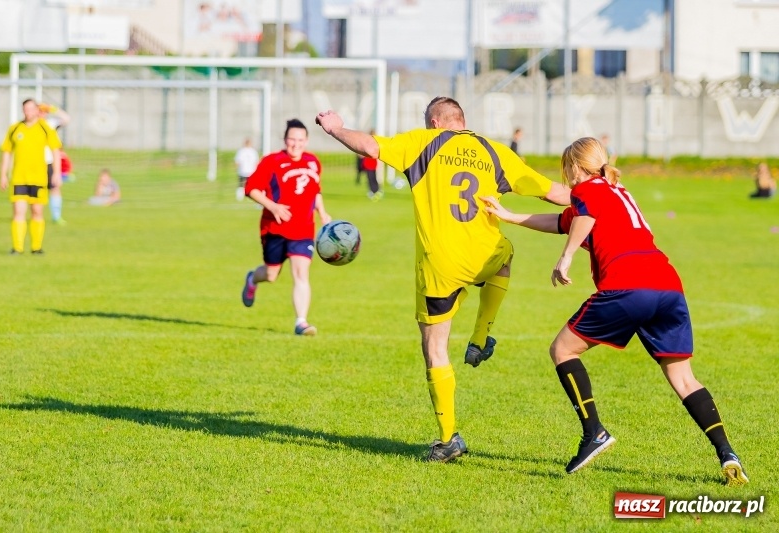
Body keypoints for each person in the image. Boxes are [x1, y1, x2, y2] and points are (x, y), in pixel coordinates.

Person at [482, 136, 749, 486]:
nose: (567, 177)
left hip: (628, 285)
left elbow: (583, 216)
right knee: (684, 378)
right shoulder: (615, 190)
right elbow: (564, 221)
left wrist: (566, 256)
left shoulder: (589, 189)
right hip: (668, 286)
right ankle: (728, 454)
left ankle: (594, 432)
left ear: (577, 167)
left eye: (566, 169)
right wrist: (510, 217)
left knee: (562, 350)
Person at [315, 97, 570, 462]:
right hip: (483, 255)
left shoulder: (424, 143)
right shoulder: (494, 151)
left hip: (440, 266)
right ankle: (482, 334)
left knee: (435, 349)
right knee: (506, 254)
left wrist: (336, 127)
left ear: (434, 123)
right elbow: (555, 193)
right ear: (461, 121)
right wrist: (605, 196)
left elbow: (370, 146)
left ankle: (449, 438)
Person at [241, 119, 332, 336]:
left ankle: (301, 322)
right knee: (271, 274)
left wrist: (323, 212)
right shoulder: (272, 161)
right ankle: (252, 278)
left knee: (301, 274)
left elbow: (315, 191)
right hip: (275, 229)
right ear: (285, 140)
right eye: (292, 139)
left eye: (300, 140)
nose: (296, 144)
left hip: (303, 231)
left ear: (306, 141)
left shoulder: (313, 162)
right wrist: (273, 206)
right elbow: (251, 188)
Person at [0, 98, 62, 255]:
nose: (28, 112)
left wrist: (56, 173)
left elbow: (55, 150)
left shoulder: (45, 128)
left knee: (37, 212)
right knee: (18, 212)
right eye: (25, 109)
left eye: (31, 109)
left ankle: (36, 247)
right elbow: (7, 152)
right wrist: (3, 174)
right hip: (19, 178)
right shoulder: (15, 129)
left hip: (38, 178)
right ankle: (17, 248)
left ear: (37, 110)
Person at [39, 103, 70, 225]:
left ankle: (56, 216)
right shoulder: (30, 125)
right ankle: (37, 216)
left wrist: (52, 109)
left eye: (44, 111)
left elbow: (66, 119)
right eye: (40, 111)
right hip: (35, 162)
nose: (42, 113)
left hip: (50, 161)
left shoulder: (51, 123)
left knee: (55, 188)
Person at [362, 130, 382, 201]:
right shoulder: (368, 143)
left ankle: (375, 190)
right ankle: (374, 190)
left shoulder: (374, 143)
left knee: (372, 178)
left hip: (371, 164)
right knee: (371, 178)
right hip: (369, 164)